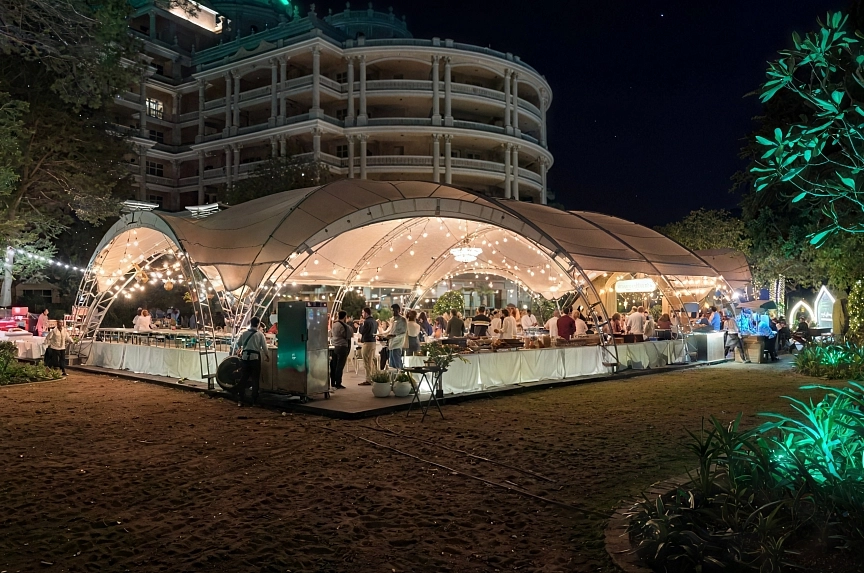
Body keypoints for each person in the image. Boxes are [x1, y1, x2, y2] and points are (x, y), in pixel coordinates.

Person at [235, 316, 268, 405]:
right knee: (255, 379)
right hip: (255, 358)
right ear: (258, 324)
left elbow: (238, 343)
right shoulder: (260, 334)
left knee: (244, 378)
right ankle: (254, 400)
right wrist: (267, 355)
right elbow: (265, 347)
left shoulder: (244, 333)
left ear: (250, 323)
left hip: (245, 358)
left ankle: (241, 399)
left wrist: (240, 349)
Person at [329, 310, 353, 390]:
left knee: (334, 365)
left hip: (335, 346)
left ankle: (333, 382)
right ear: (345, 317)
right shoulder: (345, 326)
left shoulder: (334, 324)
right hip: (342, 347)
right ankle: (338, 383)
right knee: (340, 366)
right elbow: (348, 336)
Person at [358, 307, 378, 385]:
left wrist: (360, 325)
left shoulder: (366, 322)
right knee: (371, 361)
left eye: (363, 312)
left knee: (366, 361)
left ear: (366, 313)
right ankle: (372, 377)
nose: (362, 314)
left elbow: (362, 331)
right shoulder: (374, 321)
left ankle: (368, 379)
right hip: (373, 342)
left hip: (367, 343)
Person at [387, 304, 407, 369]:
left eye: (393, 310)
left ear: (398, 310)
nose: (392, 312)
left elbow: (403, 333)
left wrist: (394, 336)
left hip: (397, 344)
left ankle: (400, 374)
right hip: (391, 344)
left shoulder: (402, 320)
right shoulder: (392, 319)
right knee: (392, 365)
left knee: (397, 364)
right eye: (391, 310)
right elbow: (391, 330)